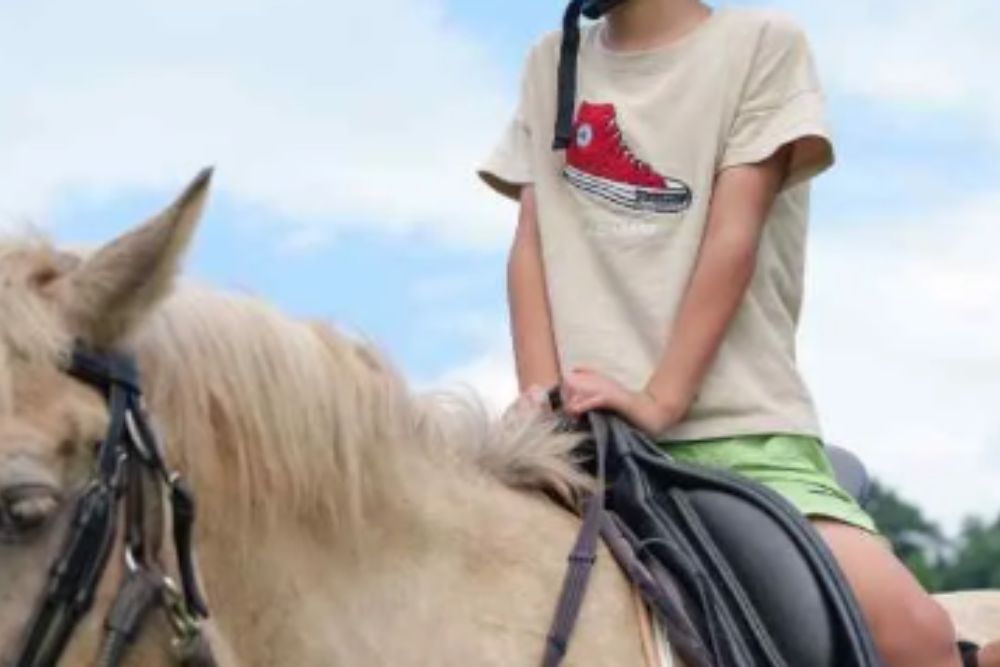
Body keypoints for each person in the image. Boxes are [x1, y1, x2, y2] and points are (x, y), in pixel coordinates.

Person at [479, 1, 997, 665]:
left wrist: (659, 400)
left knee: (916, 637)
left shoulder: (762, 46)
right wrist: (540, 400)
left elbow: (733, 235)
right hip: (586, 448)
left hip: (737, 436)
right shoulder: (550, 62)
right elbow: (529, 245)